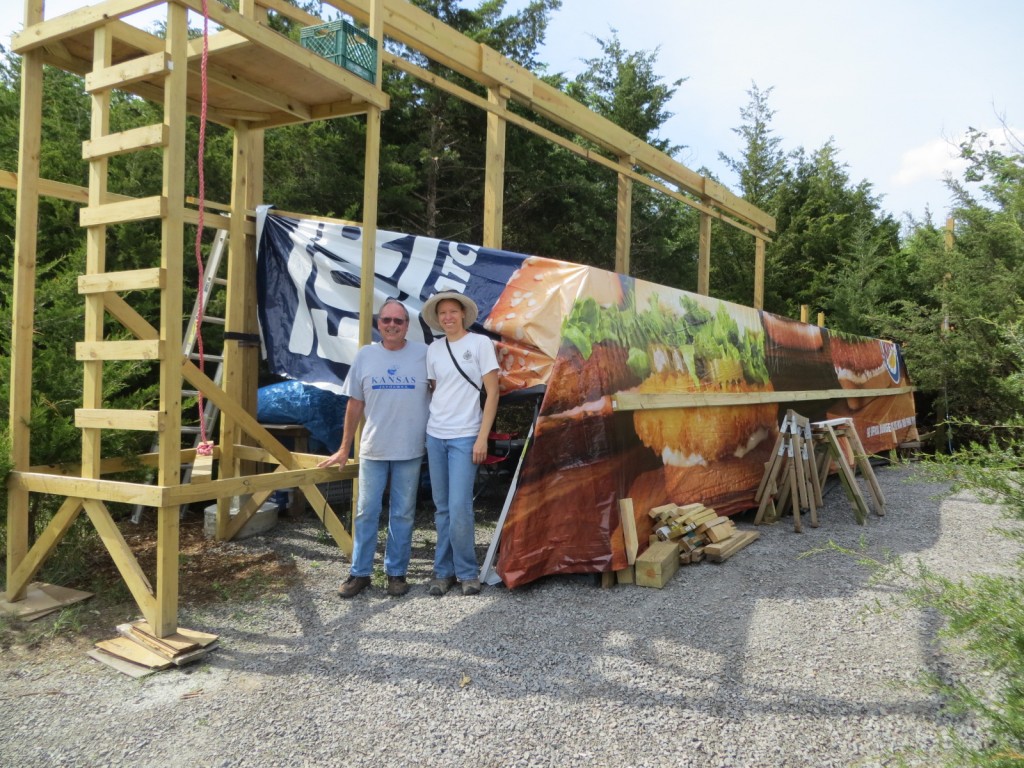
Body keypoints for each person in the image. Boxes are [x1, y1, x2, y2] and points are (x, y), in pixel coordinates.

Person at [318, 298, 429, 598]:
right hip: (373, 449)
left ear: (408, 326)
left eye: (399, 321)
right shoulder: (365, 355)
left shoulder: (424, 354)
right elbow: (354, 405)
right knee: (366, 511)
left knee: (403, 513)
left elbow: (443, 391)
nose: (392, 325)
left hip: (410, 449)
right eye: (387, 320)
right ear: (379, 324)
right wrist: (344, 448)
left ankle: (396, 573)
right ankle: (360, 573)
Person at [420, 290, 500, 596]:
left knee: (460, 506)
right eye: (443, 314)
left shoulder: (480, 344)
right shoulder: (433, 349)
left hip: (466, 434)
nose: (448, 317)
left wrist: (482, 436)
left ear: (463, 315)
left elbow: (492, 393)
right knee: (442, 508)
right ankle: (443, 572)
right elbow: (436, 390)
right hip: (435, 433)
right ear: (437, 319)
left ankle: (467, 572)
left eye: (453, 312)